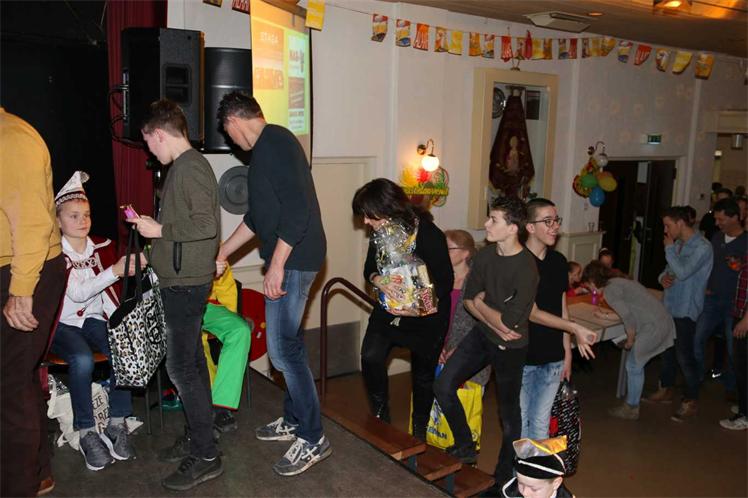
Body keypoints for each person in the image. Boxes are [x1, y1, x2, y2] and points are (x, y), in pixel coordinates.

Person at [215, 91, 329, 476]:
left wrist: (277, 264)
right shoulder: (266, 150)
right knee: (289, 345)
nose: (232, 142)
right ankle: (295, 420)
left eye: (229, 134)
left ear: (234, 121)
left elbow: (298, 210)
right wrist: (222, 252)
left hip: (294, 260)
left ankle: (313, 437)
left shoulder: (275, 142)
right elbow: (256, 218)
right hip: (291, 259)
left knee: (282, 353)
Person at [129, 99, 222, 491]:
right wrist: (158, 234)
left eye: (149, 144)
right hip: (182, 280)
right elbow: (190, 224)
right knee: (193, 364)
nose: (150, 152)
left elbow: (205, 226)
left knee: (181, 368)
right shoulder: (185, 167)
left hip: (186, 284)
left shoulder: (190, 167)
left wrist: (160, 231)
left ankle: (206, 455)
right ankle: (202, 435)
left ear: (160, 134)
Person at [433, 196, 537, 487]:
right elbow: (469, 300)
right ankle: (465, 445)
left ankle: (505, 476)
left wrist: (485, 309)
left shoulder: (527, 268)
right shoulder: (485, 256)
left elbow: (510, 323)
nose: (486, 224)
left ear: (512, 228)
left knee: (508, 414)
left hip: (511, 346)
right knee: (443, 385)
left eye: (493, 220)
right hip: (483, 335)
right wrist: (493, 320)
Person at [51, 172, 142, 470]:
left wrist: (134, 265)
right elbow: (77, 293)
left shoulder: (101, 246)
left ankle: (116, 423)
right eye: (73, 216)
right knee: (82, 359)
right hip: (61, 324)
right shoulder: (54, 254)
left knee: (122, 350)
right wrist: (114, 271)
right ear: (58, 221)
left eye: (87, 214)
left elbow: (108, 295)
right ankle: (87, 431)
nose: (82, 221)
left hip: (92, 319)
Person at [352, 179, 453, 439]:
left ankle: (419, 434)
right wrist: (378, 280)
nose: (365, 222)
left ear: (388, 208)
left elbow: (445, 282)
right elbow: (369, 269)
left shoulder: (429, 234)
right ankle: (380, 419)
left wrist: (416, 306)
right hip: (389, 310)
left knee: (422, 376)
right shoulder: (380, 234)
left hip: (427, 317)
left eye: (369, 215)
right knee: (370, 356)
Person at [1, 107, 66, 497]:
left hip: (26, 272)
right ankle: (38, 472)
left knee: (7, 384)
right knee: (18, 377)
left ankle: (17, 485)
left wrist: (21, 290)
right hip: (16, 268)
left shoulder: (11, 139)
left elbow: (32, 224)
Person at [520, 199, 597, 440]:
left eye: (556, 220)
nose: (555, 226)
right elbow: (532, 312)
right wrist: (574, 328)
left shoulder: (559, 261)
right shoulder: (518, 262)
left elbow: (562, 306)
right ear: (530, 227)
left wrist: (567, 351)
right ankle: (520, 466)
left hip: (553, 355)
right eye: (547, 221)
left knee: (541, 423)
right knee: (521, 423)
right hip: (522, 355)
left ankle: (537, 467)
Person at [581, 261, 675, 420]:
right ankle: (632, 404)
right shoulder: (619, 282)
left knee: (633, 365)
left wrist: (630, 340)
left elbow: (628, 317)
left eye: (588, 285)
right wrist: (606, 316)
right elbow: (629, 310)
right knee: (635, 363)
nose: (590, 289)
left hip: (653, 327)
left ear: (592, 281)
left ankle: (631, 407)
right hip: (662, 321)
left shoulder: (610, 291)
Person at [645, 206, 712, 423]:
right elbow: (669, 270)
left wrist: (669, 249)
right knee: (667, 351)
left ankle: (691, 400)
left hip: (686, 309)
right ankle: (666, 388)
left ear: (680, 223)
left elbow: (682, 272)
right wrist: (662, 278)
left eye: (668, 225)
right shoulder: (679, 245)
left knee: (685, 356)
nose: (665, 230)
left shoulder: (702, 247)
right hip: (670, 305)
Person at [694, 198, 747, 399]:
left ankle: (732, 386)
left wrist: (739, 267)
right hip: (712, 299)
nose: (717, 223)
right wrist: (705, 286)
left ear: (735, 217)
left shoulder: (746, 241)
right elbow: (709, 264)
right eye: (716, 219)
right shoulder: (717, 237)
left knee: (733, 349)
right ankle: (696, 378)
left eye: (721, 219)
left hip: (735, 305)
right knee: (697, 338)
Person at [202, 262, 251, 433]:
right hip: (174, 306)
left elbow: (225, 282)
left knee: (240, 330)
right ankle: (210, 399)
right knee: (193, 343)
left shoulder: (212, 247)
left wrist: (231, 314)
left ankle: (220, 403)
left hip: (207, 305)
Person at [720, 254, 748, 430]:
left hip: (745, 319)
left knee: (743, 368)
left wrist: (746, 319)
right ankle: (745, 406)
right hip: (741, 314)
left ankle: (745, 416)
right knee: (742, 367)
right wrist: (739, 265)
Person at [500, 436, 575, 498]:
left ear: (556, 483)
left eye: (534, 489)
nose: (525, 493)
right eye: (520, 483)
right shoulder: (509, 492)